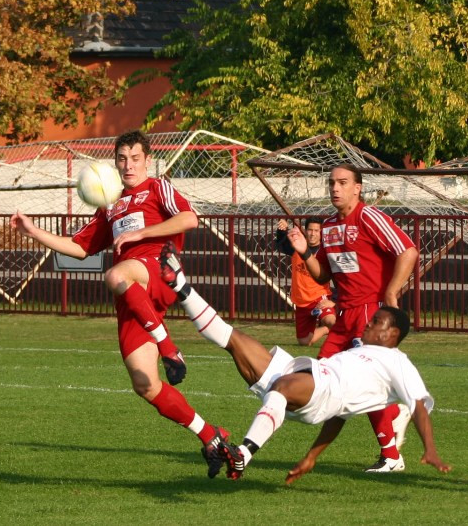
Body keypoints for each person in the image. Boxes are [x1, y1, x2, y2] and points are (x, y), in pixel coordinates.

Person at [10, 130, 230, 477]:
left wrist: (140, 234)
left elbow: (190, 219)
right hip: (133, 296)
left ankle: (170, 349)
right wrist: (33, 231)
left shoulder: (159, 188)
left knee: (114, 276)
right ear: (116, 162)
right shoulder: (110, 203)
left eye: (135, 158)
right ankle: (211, 436)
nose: (128, 165)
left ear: (147, 160)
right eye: (122, 159)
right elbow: (81, 248)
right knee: (145, 385)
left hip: (158, 270)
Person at [158, 241, 450, 483]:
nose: (368, 324)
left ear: (393, 334)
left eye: (376, 322)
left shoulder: (398, 363)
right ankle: (182, 287)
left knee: (283, 386)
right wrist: (311, 456)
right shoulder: (362, 350)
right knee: (236, 341)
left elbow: (420, 407)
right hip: (314, 377)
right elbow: (341, 416)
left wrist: (431, 450)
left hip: (322, 389)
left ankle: (243, 455)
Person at [286, 164, 420, 472]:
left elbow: (408, 251)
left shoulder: (369, 217)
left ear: (357, 188)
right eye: (331, 183)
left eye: (342, 183)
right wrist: (305, 252)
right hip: (344, 314)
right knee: (324, 379)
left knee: (358, 384)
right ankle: (395, 411)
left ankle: (390, 455)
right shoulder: (330, 224)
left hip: (370, 312)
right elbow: (323, 273)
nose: (335, 188)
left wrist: (391, 293)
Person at [275, 217, 336, 346]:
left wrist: (334, 301)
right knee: (304, 342)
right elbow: (282, 243)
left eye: (316, 230)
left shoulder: (326, 252)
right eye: (310, 230)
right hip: (302, 302)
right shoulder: (297, 247)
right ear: (305, 230)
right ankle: (326, 330)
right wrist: (282, 230)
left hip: (319, 298)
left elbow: (339, 278)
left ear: (321, 232)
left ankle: (354, 342)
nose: (312, 234)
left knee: (331, 321)